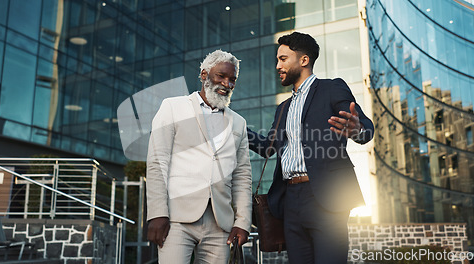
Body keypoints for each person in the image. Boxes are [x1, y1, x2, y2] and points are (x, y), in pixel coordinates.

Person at [247, 32, 374, 263]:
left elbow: (365, 127)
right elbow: (268, 148)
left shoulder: (331, 89)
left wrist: (357, 130)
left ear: (304, 60)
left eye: (283, 59)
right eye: (278, 60)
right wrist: (237, 129)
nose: (278, 66)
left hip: (327, 198)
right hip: (290, 200)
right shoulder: (283, 108)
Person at [146, 50, 252, 263]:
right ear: (204, 75)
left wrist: (242, 222)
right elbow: (158, 162)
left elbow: (242, 176)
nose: (226, 84)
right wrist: (157, 213)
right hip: (176, 220)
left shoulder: (239, 122)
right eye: (220, 76)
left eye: (232, 80)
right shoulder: (172, 107)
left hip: (220, 224)